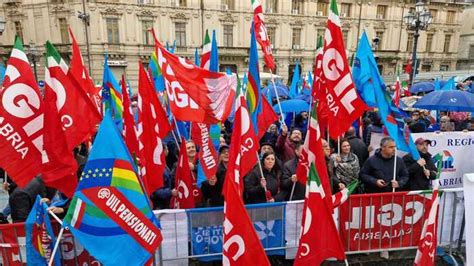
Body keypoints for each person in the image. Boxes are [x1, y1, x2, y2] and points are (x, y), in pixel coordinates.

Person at [151, 145, 177, 209]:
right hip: (159, 205)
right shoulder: (156, 167)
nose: (168, 151)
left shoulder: (164, 165)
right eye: (167, 149)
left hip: (167, 202)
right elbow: (156, 191)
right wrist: (170, 192)